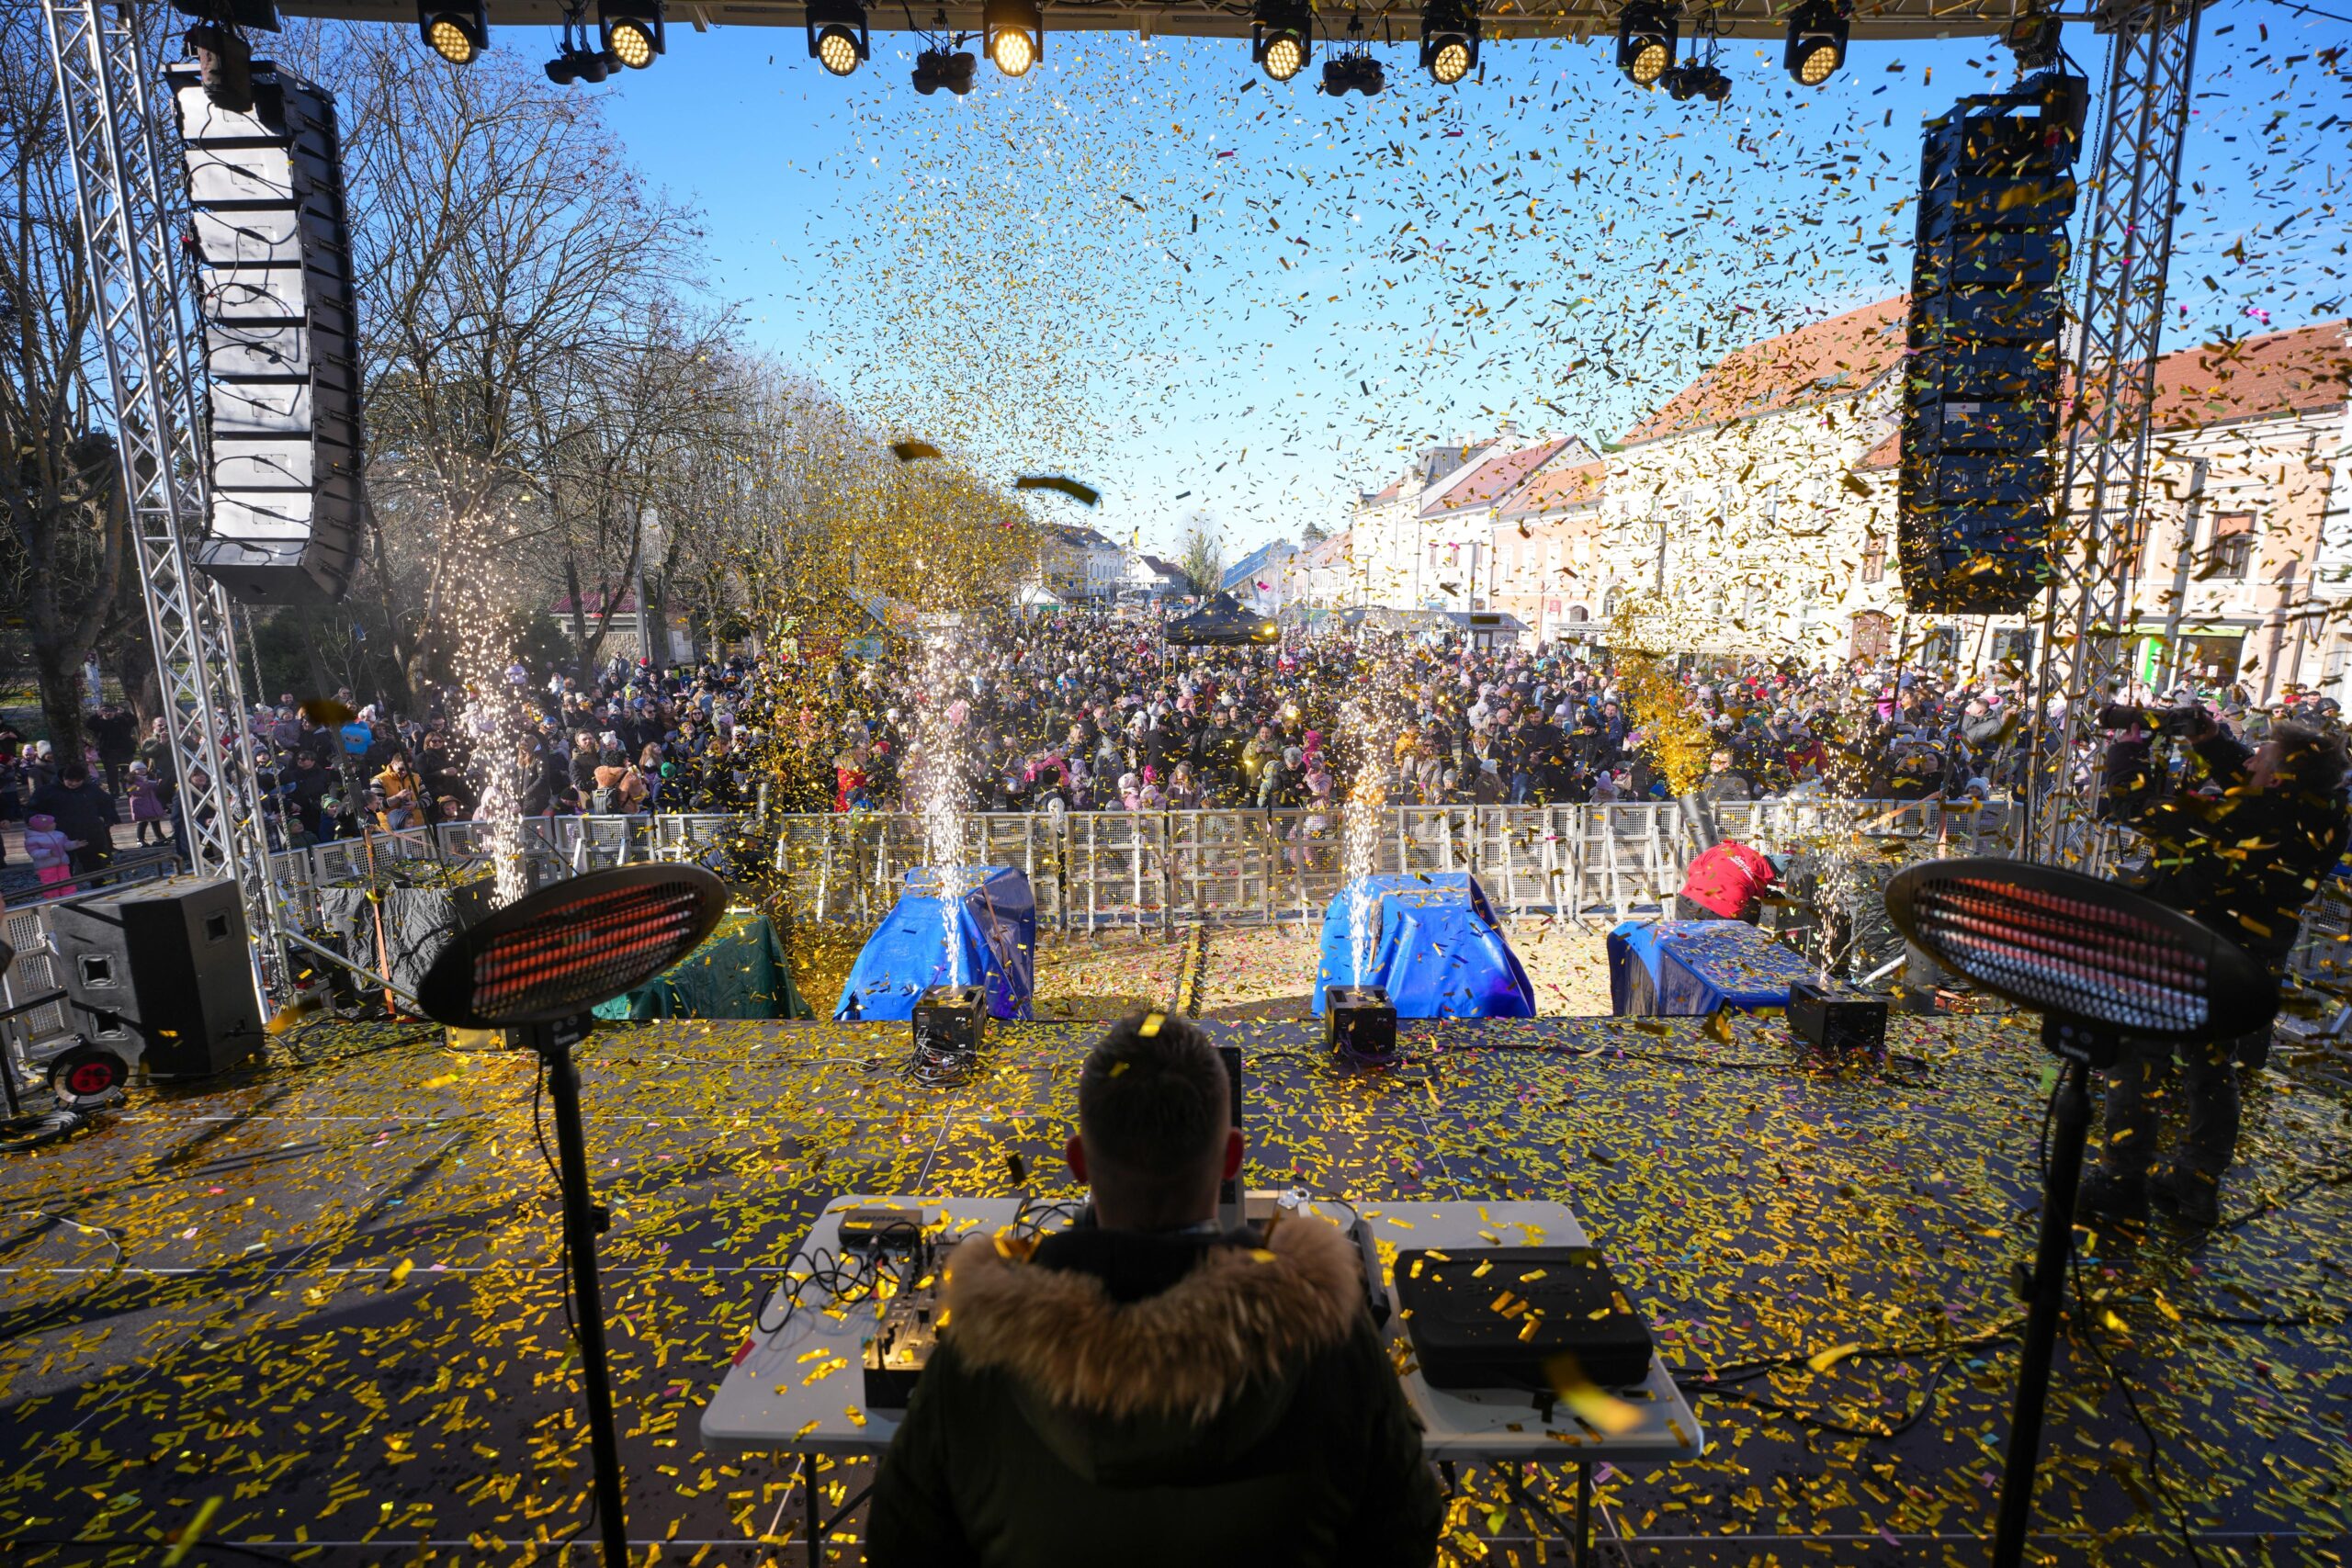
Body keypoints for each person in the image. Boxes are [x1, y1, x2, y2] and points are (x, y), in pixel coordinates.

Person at [866, 1010, 1440, 1568]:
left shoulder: (979, 1352)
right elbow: (1404, 1534)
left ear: (1079, 1163)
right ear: (1232, 1158)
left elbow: (901, 1544)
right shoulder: (1328, 1335)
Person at [2080, 715, 2352, 1225]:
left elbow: (2134, 807)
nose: (2247, 762)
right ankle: (2197, 1181)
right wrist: (2213, 743)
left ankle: (2122, 1179)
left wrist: (2126, 755)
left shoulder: (2236, 816)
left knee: (2136, 1059)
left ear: (2278, 777)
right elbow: (2263, 798)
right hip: (2245, 961)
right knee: (2211, 1065)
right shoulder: (2326, 814)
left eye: (2258, 758)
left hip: (2183, 953)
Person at [28, 761, 118, 875]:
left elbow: (107, 803)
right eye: (70, 780)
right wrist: (40, 825)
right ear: (63, 778)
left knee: (94, 864)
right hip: (59, 835)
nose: (74, 784)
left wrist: (105, 818)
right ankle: (66, 885)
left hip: (89, 833)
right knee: (64, 866)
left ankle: (97, 883)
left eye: (78, 781)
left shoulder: (91, 789)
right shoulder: (46, 791)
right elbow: (32, 810)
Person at [1676, 837, 1778, 923]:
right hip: (1721, 913)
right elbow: (1755, 902)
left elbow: (1694, 867)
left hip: (1688, 899)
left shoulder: (1727, 848)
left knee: (1681, 936)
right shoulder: (1761, 877)